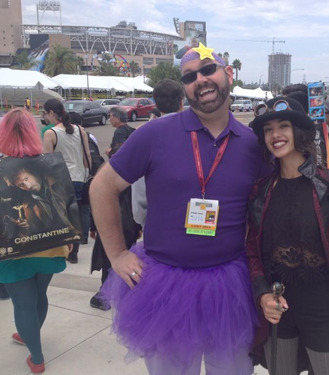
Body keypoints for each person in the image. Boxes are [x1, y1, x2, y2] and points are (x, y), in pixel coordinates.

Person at [89, 42, 267, 374]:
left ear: (228, 74)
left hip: (229, 285)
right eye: (190, 76)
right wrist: (116, 254)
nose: (200, 80)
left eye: (207, 70)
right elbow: (102, 187)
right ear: (185, 88)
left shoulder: (253, 143)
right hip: (164, 284)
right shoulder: (155, 133)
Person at [247, 96, 329, 375]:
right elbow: (253, 251)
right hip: (278, 310)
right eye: (268, 130)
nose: (275, 135)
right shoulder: (261, 191)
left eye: (283, 126)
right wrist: (263, 295)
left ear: (300, 132)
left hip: (323, 308)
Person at [0, 108, 71, 374]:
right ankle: (29, 334)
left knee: (23, 303)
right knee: (39, 296)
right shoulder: (49, 164)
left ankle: (37, 357)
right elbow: (64, 204)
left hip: (11, 248)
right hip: (50, 244)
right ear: (33, 131)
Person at [89, 107, 141, 311]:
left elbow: (100, 197)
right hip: (131, 214)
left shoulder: (110, 179)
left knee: (109, 257)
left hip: (117, 214)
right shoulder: (135, 135)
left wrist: (93, 226)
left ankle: (105, 294)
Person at [42, 99, 91, 264]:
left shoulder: (50, 134)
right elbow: (87, 156)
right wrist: (86, 174)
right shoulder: (79, 129)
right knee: (75, 215)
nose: (44, 117)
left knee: (62, 217)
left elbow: (48, 163)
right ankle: (74, 252)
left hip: (60, 181)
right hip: (79, 178)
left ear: (51, 113)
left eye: (45, 113)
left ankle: (64, 249)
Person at [132, 79, 185, 226]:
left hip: (157, 222)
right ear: (181, 102)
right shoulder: (197, 132)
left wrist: (144, 221)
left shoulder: (144, 134)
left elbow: (139, 188)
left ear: (155, 103)